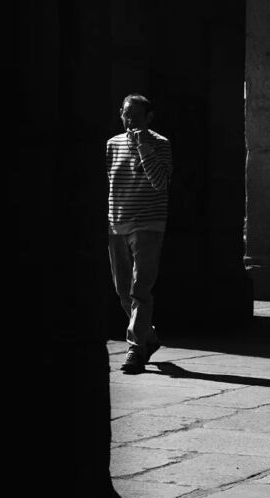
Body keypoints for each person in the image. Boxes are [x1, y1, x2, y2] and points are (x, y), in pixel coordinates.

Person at [107, 93, 173, 374]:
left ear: (149, 117)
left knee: (140, 289)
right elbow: (108, 183)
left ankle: (135, 348)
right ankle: (149, 336)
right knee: (123, 291)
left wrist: (144, 147)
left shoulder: (160, 144)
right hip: (116, 223)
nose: (129, 120)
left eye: (135, 115)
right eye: (125, 114)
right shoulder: (112, 144)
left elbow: (160, 182)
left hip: (148, 223)